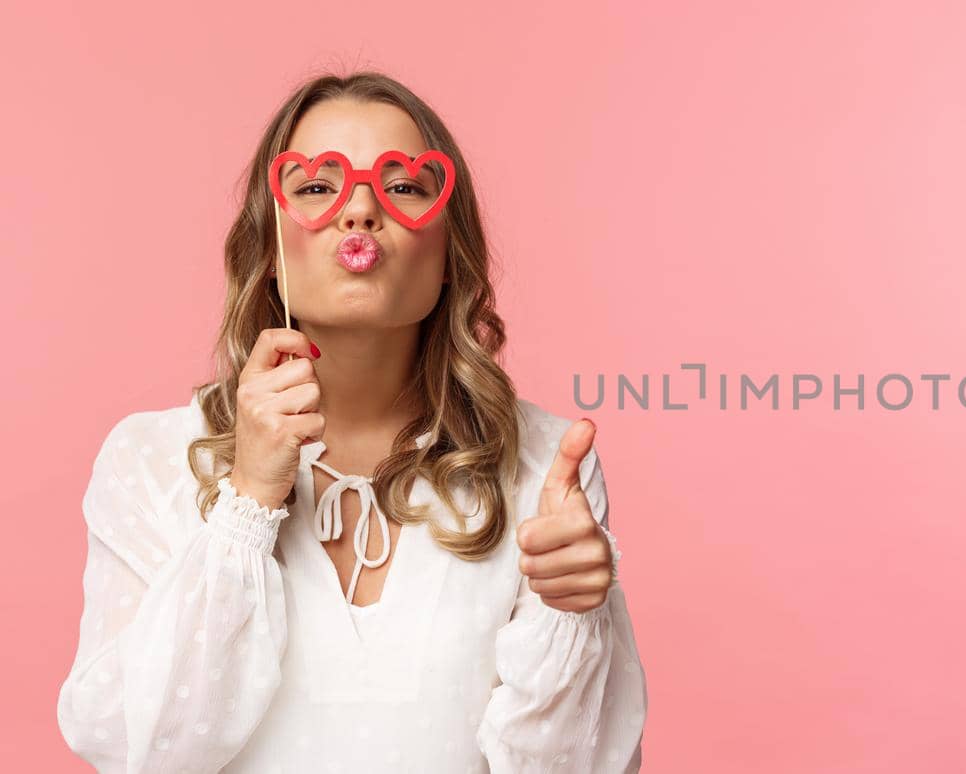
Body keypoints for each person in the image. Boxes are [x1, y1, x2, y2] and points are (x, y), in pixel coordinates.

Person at [55, 71, 647, 772]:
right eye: (314, 187)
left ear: (450, 254)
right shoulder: (150, 460)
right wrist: (246, 499)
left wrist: (572, 611)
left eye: (403, 186)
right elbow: (140, 752)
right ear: (270, 251)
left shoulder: (548, 467)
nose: (360, 210)